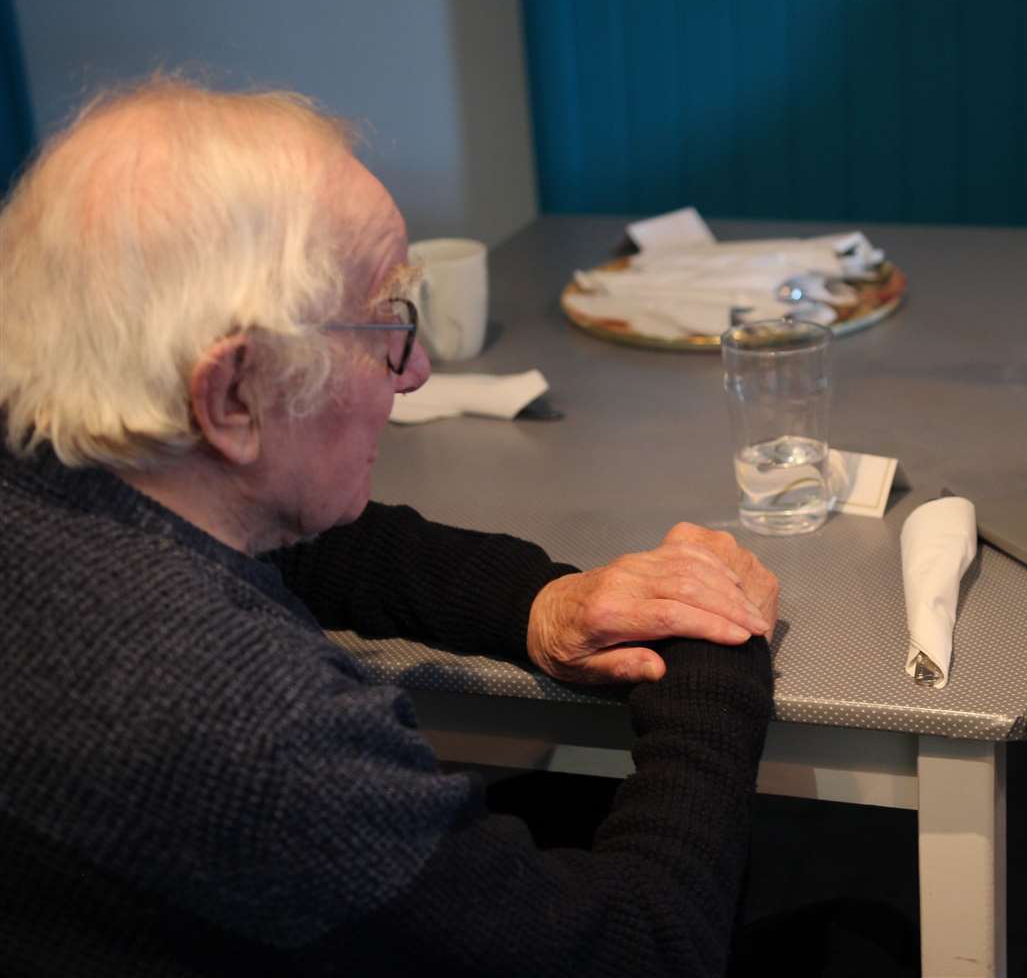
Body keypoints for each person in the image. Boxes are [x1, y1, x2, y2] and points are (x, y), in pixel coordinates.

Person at [0, 78, 780, 976]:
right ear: (233, 394)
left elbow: (307, 548)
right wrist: (719, 650)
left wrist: (540, 602)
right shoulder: (258, 729)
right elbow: (641, 953)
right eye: (382, 321)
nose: (413, 370)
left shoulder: (66, 475)